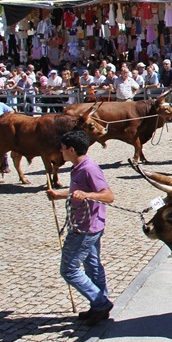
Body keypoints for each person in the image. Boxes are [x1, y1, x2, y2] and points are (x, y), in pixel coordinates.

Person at [45, 129, 116, 326]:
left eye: (62, 149)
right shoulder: (78, 167)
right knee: (92, 266)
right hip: (89, 225)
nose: (61, 152)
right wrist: (60, 195)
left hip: (85, 229)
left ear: (72, 149)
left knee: (69, 270)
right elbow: (80, 191)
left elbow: (108, 196)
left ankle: (100, 303)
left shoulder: (89, 168)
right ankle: (98, 307)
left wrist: (87, 196)